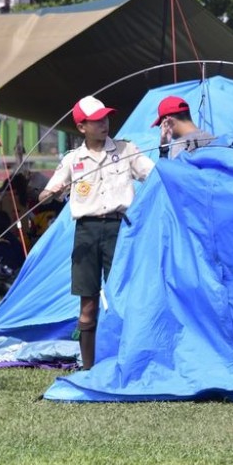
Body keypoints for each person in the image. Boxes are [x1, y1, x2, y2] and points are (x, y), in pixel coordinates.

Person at [39, 96, 154, 370]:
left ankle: (128, 362)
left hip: (120, 229)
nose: (104, 123)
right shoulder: (72, 160)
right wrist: (50, 194)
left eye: (106, 117)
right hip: (86, 233)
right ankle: (89, 369)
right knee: (87, 302)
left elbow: (154, 175)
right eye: (97, 120)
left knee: (124, 297)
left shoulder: (126, 149)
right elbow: (44, 195)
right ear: (81, 127)